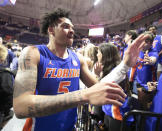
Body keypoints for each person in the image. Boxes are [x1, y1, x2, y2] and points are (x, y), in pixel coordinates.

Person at [13, 8, 149, 131]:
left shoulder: (78, 58)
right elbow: (21, 106)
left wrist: (125, 65)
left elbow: (98, 87)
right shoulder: (33, 53)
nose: (72, 30)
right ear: (51, 30)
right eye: (65, 26)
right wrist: (83, 96)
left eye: (72, 27)